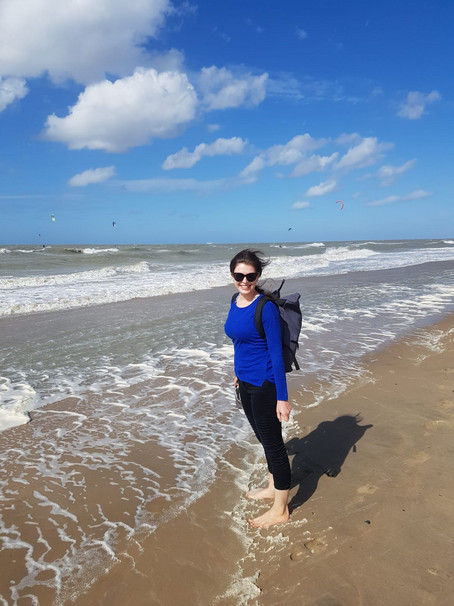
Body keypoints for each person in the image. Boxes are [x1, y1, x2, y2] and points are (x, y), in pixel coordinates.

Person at [224, 249, 292, 528]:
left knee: (274, 446)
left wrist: (282, 398)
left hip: (265, 385)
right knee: (265, 439)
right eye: (239, 275)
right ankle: (271, 487)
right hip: (245, 383)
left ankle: (281, 510)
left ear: (258, 276)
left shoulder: (266, 308)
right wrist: (238, 374)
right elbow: (240, 344)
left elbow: (276, 355)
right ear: (232, 276)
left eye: (250, 276)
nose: (244, 281)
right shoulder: (234, 301)